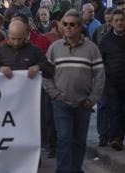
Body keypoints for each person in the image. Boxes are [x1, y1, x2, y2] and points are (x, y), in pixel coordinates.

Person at [43, 9, 105, 173]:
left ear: (80, 26)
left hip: (84, 103)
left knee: (79, 141)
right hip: (61, 103)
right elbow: (46, 75)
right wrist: (54, 94)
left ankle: (76, 170)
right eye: (65, 24)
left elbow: (99, 76)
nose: (68, 27)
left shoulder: (92, 49)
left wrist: (93, 99)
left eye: (72, 24)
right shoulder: (55, 48)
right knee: (64, 139)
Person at [98, 9, 125, 151]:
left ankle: (118, 137)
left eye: (122, 20)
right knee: (115, 109)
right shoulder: (106, 40)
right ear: (112, 23)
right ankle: (115, 138)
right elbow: (100, 61)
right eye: (117, 20)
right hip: (112, 82)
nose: (120, 23)